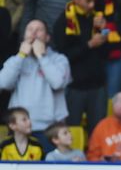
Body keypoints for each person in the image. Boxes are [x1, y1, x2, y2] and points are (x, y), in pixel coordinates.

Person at [0, 19, 70, 147]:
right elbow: (3, 83)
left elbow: (57, 83)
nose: (34, 33)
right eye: (30, 30)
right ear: (24, 37)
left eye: (39, 30)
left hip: (49, 129)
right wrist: (21, 56)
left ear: (47, 37)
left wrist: (41, 57)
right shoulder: (16, 60)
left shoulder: (59, 60)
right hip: (19, 129)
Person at [52, 0, 108, 134]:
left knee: (98, 133)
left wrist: (105, 29)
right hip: (74, 87)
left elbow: (108, 50)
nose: (92, 5)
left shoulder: (98, 17)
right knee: (72, 133)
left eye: (94, 1)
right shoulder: (64, 22)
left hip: (98, 85)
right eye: (87, 1)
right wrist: (90, 44)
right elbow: (64, 56)